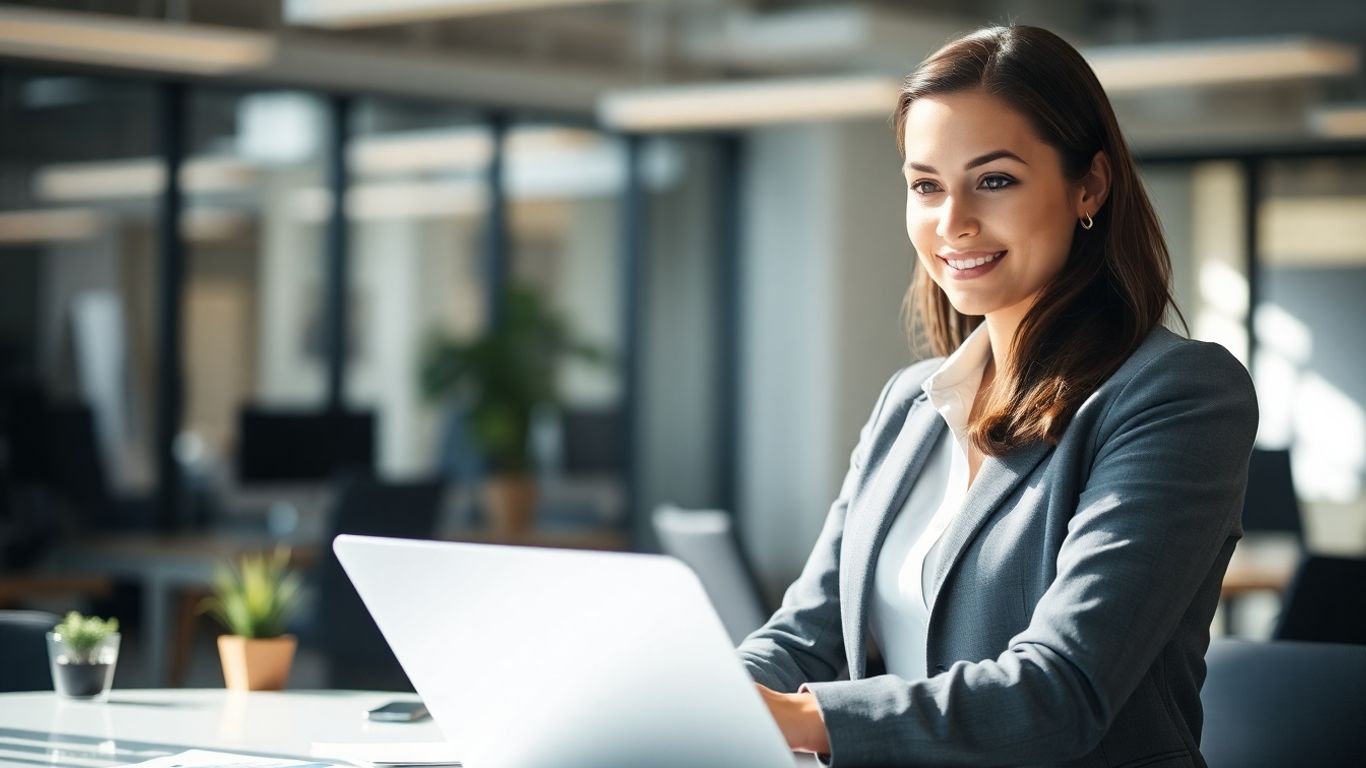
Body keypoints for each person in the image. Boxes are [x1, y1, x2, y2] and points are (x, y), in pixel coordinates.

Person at [738, 24, 1258, 768]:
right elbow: (804, 636)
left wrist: (803, 717)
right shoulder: (909, 404)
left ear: (1089, 185)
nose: (952, 222)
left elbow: (1059, 691)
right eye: (926, 186)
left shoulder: (1176, 395)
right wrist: (712, 693)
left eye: (995, 180)